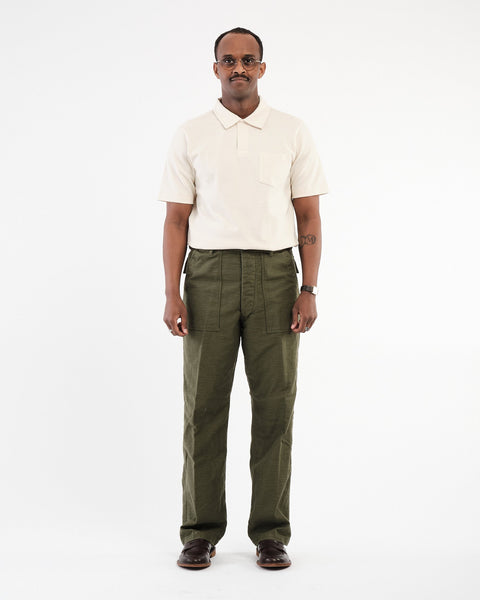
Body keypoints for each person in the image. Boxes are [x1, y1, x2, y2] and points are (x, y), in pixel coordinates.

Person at [158, 26, 329, 569]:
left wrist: (308, 288)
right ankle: (200, 531)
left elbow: (308, 215)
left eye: (248, 60)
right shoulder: (191, 134)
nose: (239, 68)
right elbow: (176, 219)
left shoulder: (291, 131)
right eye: (228, 60)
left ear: (262, 68)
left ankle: (271, 533)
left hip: (275, 275)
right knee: (203, 408)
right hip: (206, 275)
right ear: (215, 69)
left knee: (275, 406)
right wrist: (172, 293)